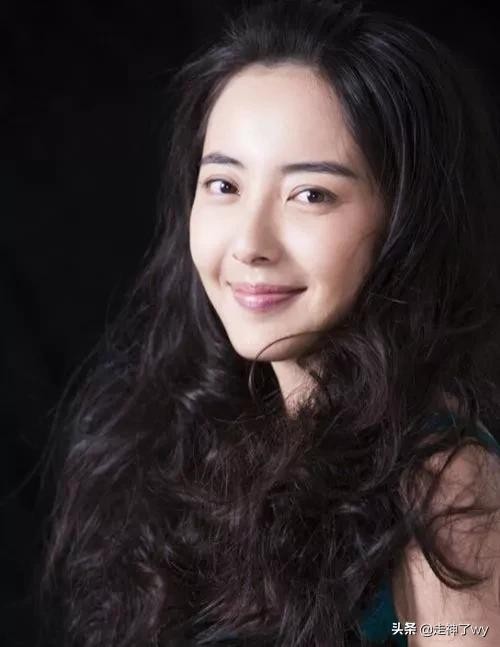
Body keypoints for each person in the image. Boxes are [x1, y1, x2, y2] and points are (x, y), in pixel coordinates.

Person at [37, 0, 500, 645]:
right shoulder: (198, 442)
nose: (250, 243)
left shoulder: (446, 481)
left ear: (406, 224)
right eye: (224, 186)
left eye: (311, 195)